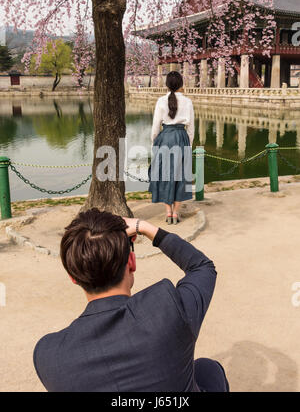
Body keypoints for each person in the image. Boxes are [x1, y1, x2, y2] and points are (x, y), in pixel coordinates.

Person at [33, 208, 229, 393]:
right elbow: (201, 267)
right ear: (132, 262)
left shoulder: (48, 355)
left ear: (73, 277)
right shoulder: (169, 310)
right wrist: (144, 227)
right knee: (208, 369)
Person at [149, 71, 194, 224]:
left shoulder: (161, 101)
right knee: (182, 176)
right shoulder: (188, 102)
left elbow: (155, 127)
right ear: (181, 84)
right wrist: (189, 145)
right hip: (182, 138)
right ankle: (176, 213)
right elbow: (191, 129)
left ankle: (168, 212)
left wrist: (154, 143)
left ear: (167, 84)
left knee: (163, 176)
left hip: (165, 138)